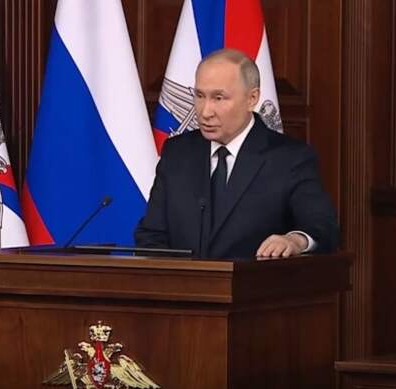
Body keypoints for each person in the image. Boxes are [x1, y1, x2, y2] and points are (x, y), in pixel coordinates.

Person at [135, 48, 338, 259]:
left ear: (252, 98)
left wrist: (295, 240)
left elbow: (322, 228)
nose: (205, 111)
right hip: (184, 279)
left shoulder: (290, 159)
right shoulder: (177, 153)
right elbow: (151, 235)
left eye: (219, 98)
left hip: (255, 279)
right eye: (200, 96)